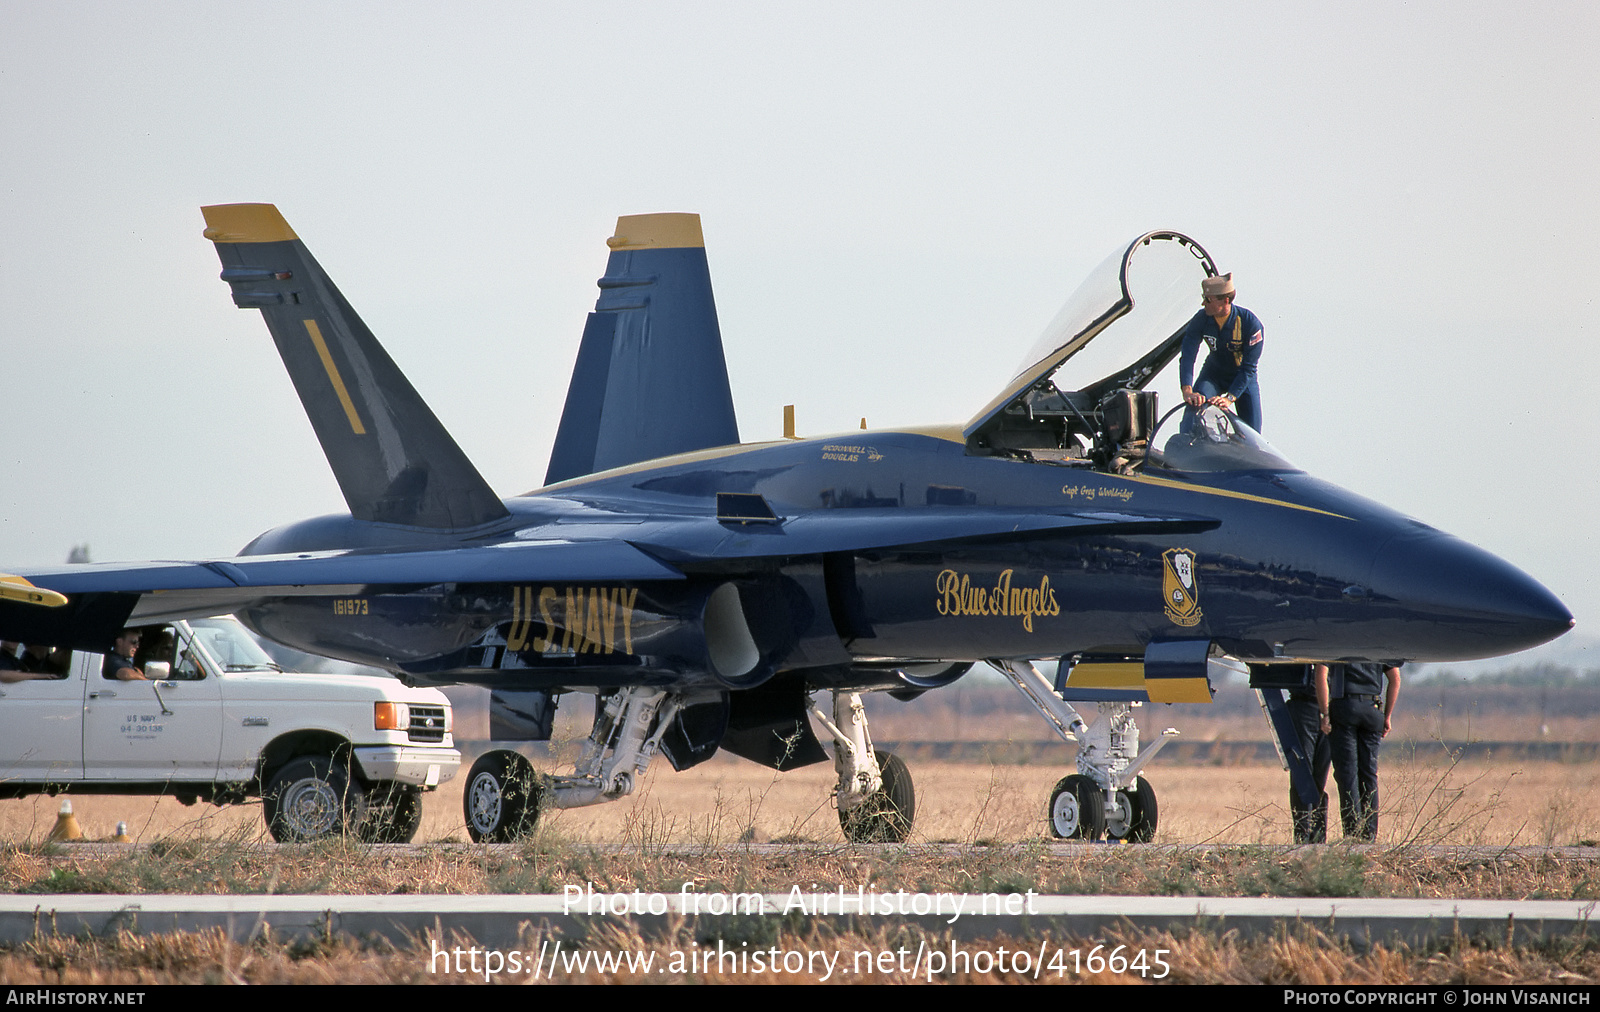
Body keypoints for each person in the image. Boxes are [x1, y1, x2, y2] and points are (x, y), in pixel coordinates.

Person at [1179, 273, 1265, 432]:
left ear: (1225, 300)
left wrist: (1229, 398)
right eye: (1204, 297)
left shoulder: (1250, 324)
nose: (1203, 303)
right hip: (1213, 375)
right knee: (1192, 415)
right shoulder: (1201, 319)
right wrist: (1187, 390)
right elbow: (1188, 355)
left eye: (1209, 300)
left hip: (1242, 378)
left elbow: (1248, 368)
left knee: (1253, 432)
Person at [1328, 660, 1402, 840]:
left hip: (1344, 706)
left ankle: (1353, 831)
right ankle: (1369, 832)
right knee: (1369, 773)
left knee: (1348, 774)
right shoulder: (1379, 644)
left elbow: (1322, 673)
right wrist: (1387, 715)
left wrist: (1324, 712)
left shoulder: (1339, 642)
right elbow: (1395, 679)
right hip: (1372, 708)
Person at [1286, 664, 1333, 843]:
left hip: (1329, 707)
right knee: (1302, 773)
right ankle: (1303, 835)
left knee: (1320, 776)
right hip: (1304, 704)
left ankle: (1318, 836)